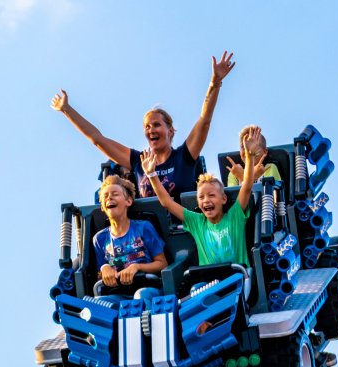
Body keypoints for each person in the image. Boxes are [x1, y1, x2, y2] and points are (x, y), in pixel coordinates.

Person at [51, 51, 236, 200]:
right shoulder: (137, 161)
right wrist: (66, 109)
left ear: (170, 131)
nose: (151, 130)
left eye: (156, 125)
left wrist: (215, 82)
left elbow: (204, 121)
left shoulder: (184, 156)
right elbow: (97, 139)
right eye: (147, 127)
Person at [143, 127, 264, 267]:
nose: (206, 200)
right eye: (201, 197)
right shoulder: (197, 222)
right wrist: (151, 174)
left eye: (211, 195)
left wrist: (249, 157)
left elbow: (247, 186)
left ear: (223, 199)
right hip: (209, 281)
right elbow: (166, 202)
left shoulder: (234, 215)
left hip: (238, 278)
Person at [93, 175, 167, 305]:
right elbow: (101, 272)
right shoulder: (100, 239)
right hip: (118, 293)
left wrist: (136, 267)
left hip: (148, 289)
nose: (109, 197)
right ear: (102, 207)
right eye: (105, 196)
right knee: (98, 303)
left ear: (128, 201)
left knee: (141, 296)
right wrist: (105, 269)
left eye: (115, 194)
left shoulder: (143, 228)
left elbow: (162, 264)